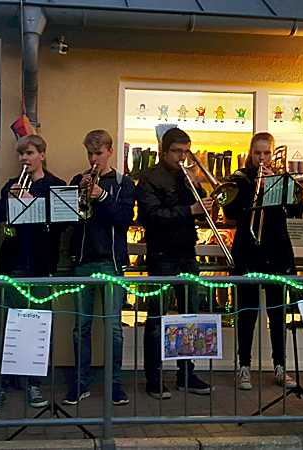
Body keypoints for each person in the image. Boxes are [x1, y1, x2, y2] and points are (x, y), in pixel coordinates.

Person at [0, 134, 65, 413]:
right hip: (14, 262)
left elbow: (61, 225)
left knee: (39, 325)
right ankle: (1, 384)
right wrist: (11, 210)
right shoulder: (10, 186)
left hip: (42, 264)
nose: (24, 159)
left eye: (29, 153)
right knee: (11, 325)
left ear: (42, 154)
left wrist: (32, 203)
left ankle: (34, 384)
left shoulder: (56, 186)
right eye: (21, 154)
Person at [136, 127, 213, 399]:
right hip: (161, 254)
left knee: (189, 317)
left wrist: (198, 188)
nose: (182, 157)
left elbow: (203, 212)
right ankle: (154, 377)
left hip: (187, 252)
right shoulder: (149, 177)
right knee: (157, 318)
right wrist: (188, 210)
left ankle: (186, 374)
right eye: (177, 151)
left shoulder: (186, 176)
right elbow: (152, 216)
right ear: (164, 151)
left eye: (186, 151)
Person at [223, 132, 298, 391]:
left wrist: (277, 186)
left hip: (277, 253)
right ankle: (244, 366)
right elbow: (230, 212)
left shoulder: (282, 179)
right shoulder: (240, 178)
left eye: (267, 153)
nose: (262, 158)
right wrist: (255, 190)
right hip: (248, 252)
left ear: (273, 153)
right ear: (250, 153)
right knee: (247, 313)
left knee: (278, 315)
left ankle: (280, 366)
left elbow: (295, 210)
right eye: (258, 153)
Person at [65, 130, 134, 406]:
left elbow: (125, 220)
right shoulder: (77, 180)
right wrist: (77, 193)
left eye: (98, 153)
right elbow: (69, 220)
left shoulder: (123, 183)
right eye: (90, 153)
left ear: (110, 152)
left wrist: (103, 196)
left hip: (111, 262)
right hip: (83, 262)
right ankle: (80, 383)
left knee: (113, 327)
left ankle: (115, 384)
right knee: (80, 327)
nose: (93, 159)